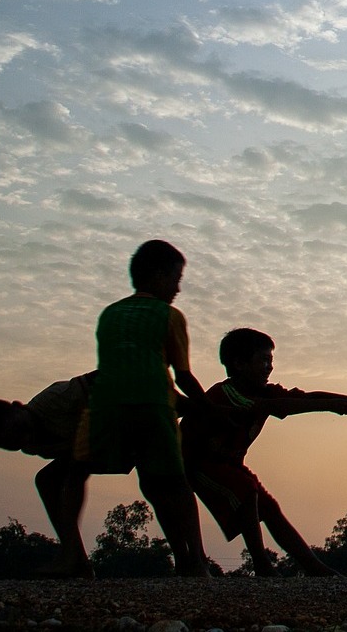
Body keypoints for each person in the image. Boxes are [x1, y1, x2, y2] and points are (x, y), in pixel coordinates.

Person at [182, 328, 347, 576]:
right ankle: (262, 564)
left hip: (229, 465)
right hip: (197, 464)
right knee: (247, 492)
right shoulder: (227, 394)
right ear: (238, 364)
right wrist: (330, 406)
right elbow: (280, 406)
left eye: (271, 361)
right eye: (263, 360)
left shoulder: (264, 391)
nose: (269, 367)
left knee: (268, 508)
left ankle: (313, 567)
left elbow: (306, 397)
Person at [82, 239, 212, 577]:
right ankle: (195, 560)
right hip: (154, 406)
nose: (178, 288)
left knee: (151, 485)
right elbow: (182, 376)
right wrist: (208, 408)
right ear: (158, 276)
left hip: (107, 407)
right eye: (175, 278)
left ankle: (180, 557)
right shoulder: (169, 315)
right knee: (177, 484)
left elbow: (118, 364)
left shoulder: (109, 314)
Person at [0, 373, 98, 578]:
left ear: (18, 406)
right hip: (92, 448)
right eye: (11, 442)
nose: (22, 438)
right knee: (46, 479)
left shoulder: (53, 400)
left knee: (74, 469)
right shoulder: (31, 445)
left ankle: (71, 557)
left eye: (19, 429)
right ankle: (76, 557)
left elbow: (96, 380)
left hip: (111, 423)